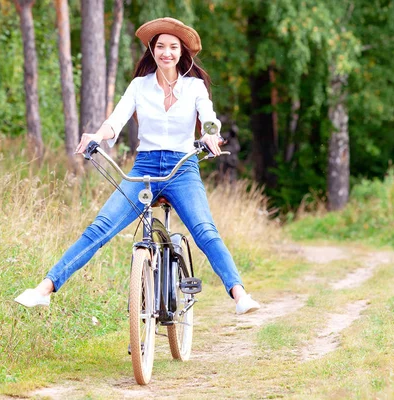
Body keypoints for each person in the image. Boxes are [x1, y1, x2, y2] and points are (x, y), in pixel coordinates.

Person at [15, 17, 260, 315]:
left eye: (173, 47)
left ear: (182, 52)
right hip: (144, 168)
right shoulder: (139, 86)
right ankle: (45, 289)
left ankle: (239, 295)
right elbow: (114, 122)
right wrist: (97, 135)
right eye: (160, 46)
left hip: (182, 168)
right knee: (99, 229)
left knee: (205, 231)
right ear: (152, 50)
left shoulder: (194, 87)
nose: (166, 52)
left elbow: (208, 116)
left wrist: (210, 133)